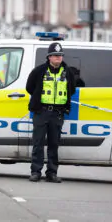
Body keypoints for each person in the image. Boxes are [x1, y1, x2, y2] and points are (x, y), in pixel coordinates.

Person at [26, 42, 76, 183]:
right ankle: (36, 172)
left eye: (60, 56)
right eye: (55, 55)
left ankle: (52, 173)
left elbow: (71, 89)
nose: (58, 58)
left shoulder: (67, 72)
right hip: (41, 112)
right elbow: (30, 87)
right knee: (38, 143)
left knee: (54, 144)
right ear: (49, 57)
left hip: (57, 113)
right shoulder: (39, 71)